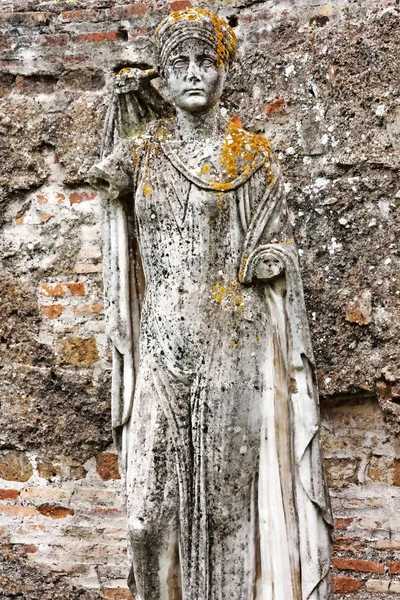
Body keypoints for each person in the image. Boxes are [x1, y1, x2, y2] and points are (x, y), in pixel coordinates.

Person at [87, 8, 332, 600]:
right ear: (164, 81)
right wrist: (122, 103)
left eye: (206, 61)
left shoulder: (254, 158)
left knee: (228, 518)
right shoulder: (142, 152)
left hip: (234, 344)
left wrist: (275, 261)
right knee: (147, 519)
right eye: (180, 64)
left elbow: (278, 245)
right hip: (163, 349)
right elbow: (100, 180)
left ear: (224, 72)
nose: (194, 73)